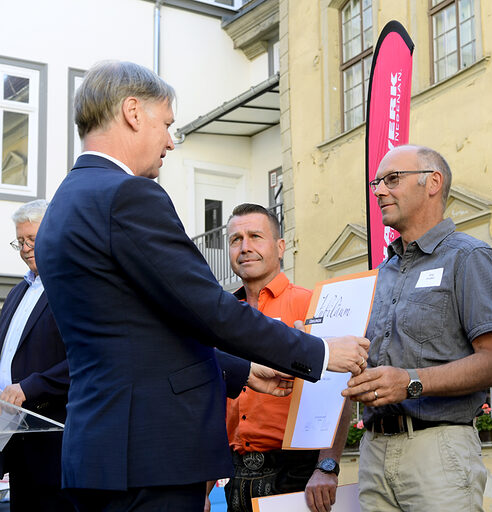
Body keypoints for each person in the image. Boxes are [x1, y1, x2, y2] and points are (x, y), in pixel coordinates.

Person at [33, 60, 369, 511]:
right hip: (152, 458)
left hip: (100, 454)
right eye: (167, 124)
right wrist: (323, 353)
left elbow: (140, 329)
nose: (170, 141)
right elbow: (207, 308)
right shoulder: (128, 195)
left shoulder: (62, 207)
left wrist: (244, 371)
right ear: (133, 112)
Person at [343, 144, 492, 512]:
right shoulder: (382, 273)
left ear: (432, 182)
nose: (379, 191)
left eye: (392, 179)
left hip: (438, 451)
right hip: (373, 452)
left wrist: (410, 382)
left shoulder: (469, 257)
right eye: (377, 182)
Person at [214, 203, 352, 512]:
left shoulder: (311, 305)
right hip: (235, 476)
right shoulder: (219, 316)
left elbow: (337, 393)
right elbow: (212, 402)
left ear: (280, 247)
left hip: (297, 474)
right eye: (236, 240)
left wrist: (327, 466)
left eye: (255, 236)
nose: (245, 247)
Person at [0, 200, 73, 511]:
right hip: (15, 439)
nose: (26, 248)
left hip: (53, 440)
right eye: (21, 241)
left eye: (34, 238)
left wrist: (31, 386)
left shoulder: (74, 287)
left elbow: (90, 356)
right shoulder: (17, 292)